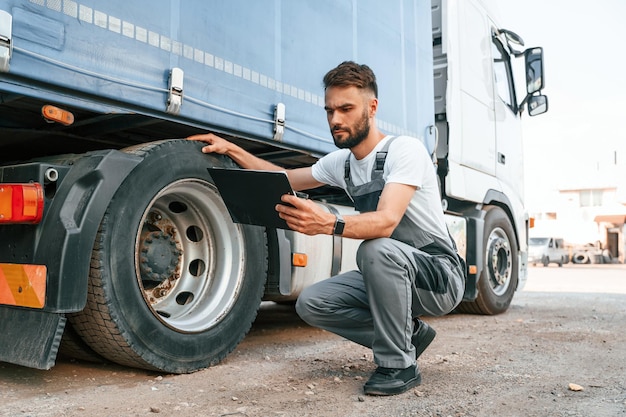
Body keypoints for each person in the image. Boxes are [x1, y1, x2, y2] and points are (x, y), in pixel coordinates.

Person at [188, 61, 466, 396]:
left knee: (375, 248)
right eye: (330, 110)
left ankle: (399, 365)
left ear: (372, 107)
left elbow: (386, 220)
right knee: (313, 303)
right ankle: (408, 337)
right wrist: (231, 149)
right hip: (392, 273)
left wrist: (327, 223)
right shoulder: (342, 164)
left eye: (346, 109)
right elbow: (282, 179)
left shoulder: (404, 151)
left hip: (438, 274)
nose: (335, 120)